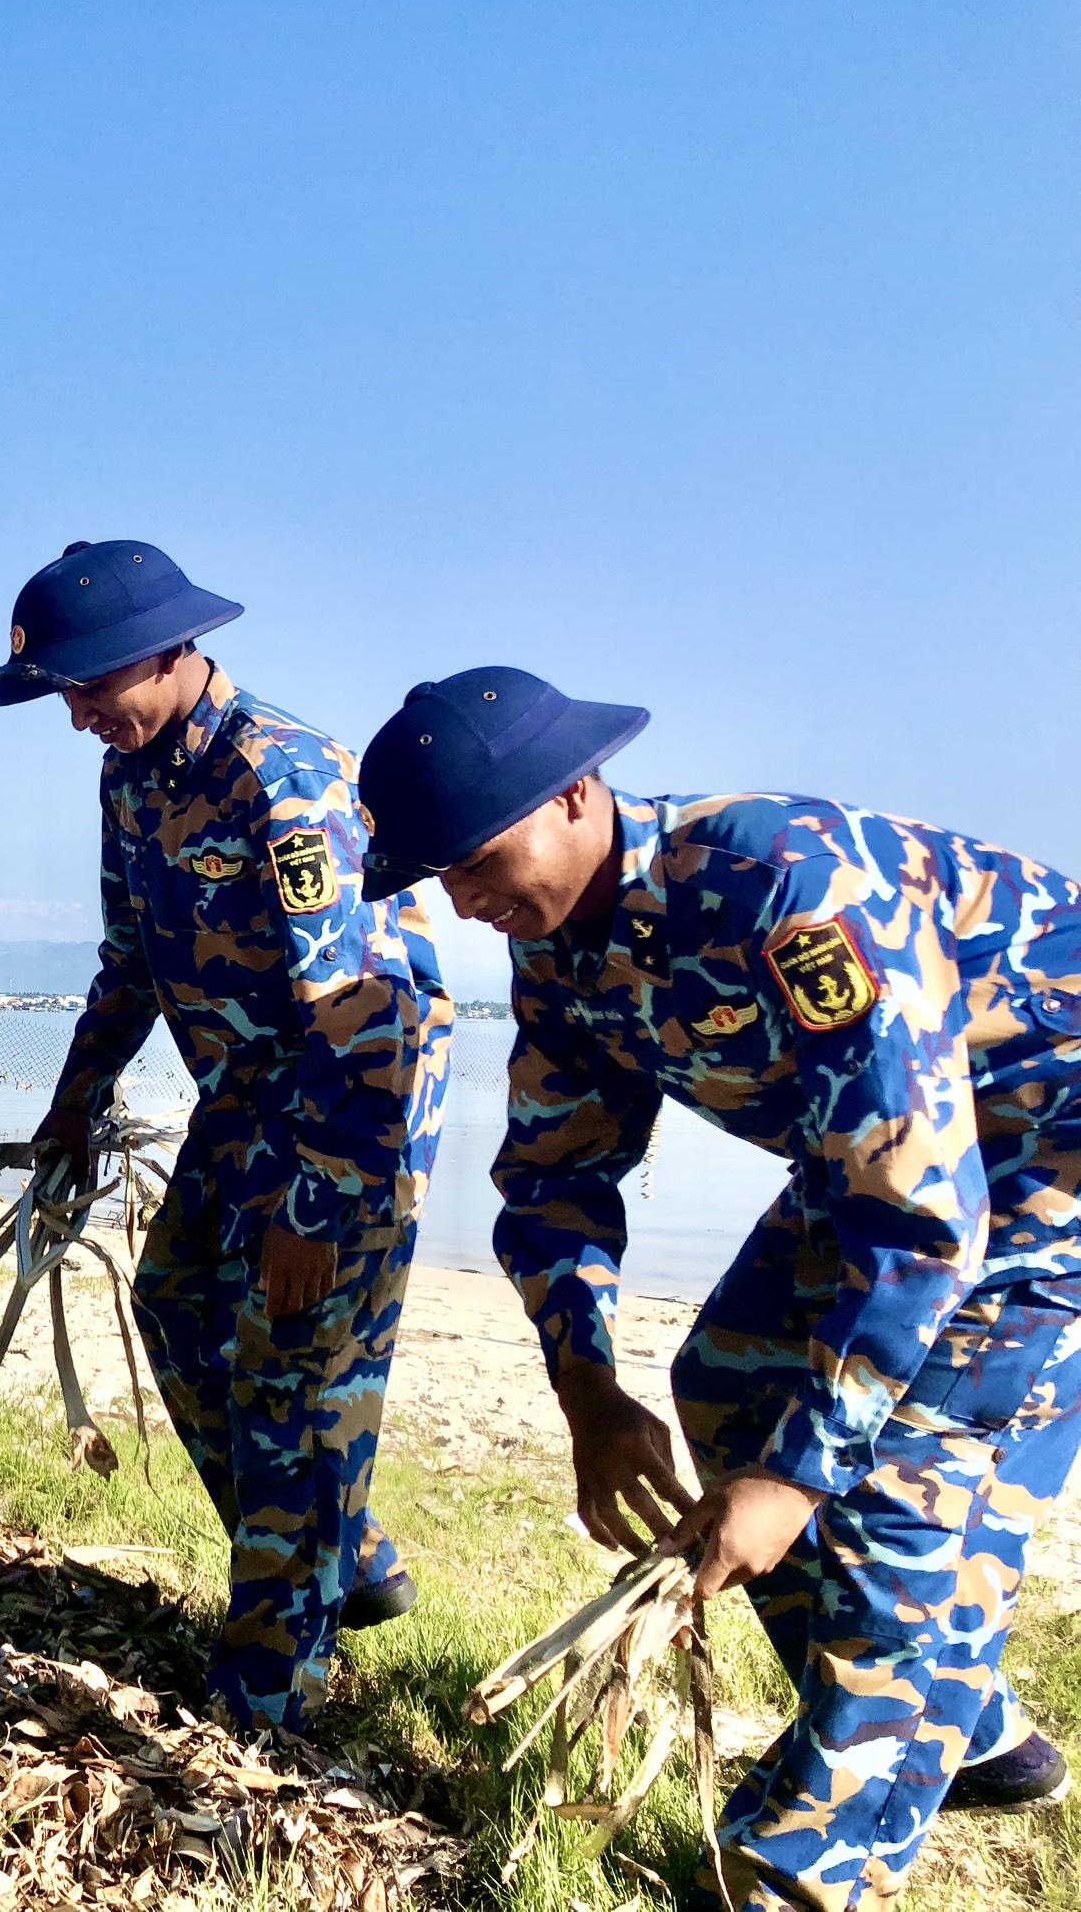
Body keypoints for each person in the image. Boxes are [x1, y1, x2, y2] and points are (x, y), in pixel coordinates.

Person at [355, 666, 1081, 1905]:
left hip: (1044, 1157)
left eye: (477, 861)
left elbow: (921, 1224)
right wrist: (588, 1390)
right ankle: (972, 1736)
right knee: (729, 1382)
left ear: (575, 793)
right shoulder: (561, 950)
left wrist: (797, 1479)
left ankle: (801, 1867)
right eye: (442, 879)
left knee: (906, 1482)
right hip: (898, 1163)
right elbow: (554, 1179)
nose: (466, 903)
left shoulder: (783, 890)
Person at [0, 538, 453, 1736]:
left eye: (90, 688)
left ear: (165, 652)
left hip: (357, 1103)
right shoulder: (130, 778)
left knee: (288, 1373)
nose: (78, 717)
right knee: (178, 1305)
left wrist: (313, 1209)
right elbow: (130, 961)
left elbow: (358, 1011)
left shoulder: (282, 775)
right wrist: (73, 1102)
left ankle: (267, 1699)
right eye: (65, 697)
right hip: (248, 1092)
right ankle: (340, 1560)